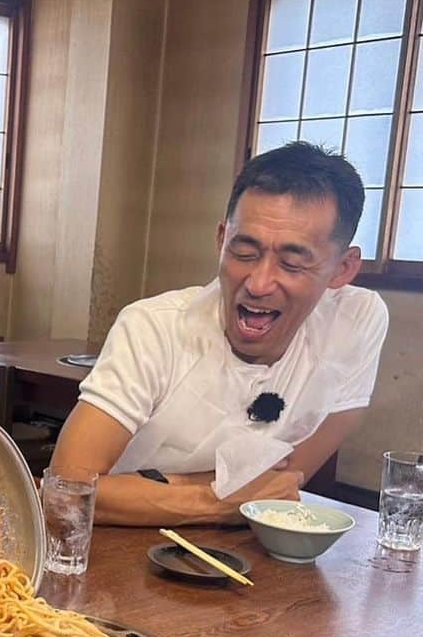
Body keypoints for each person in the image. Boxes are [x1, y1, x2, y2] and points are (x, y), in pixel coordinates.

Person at [49, 142, 389, 526]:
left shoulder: (356, 320)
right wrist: (219, 500)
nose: (259, 283)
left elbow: (281, 485)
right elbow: (66, 491)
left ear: (343, 268)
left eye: (292, 263)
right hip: (120, 552)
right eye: (244, 252)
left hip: (248, 559)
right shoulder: (155, 327)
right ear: (221, 238)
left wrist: (156, 487)